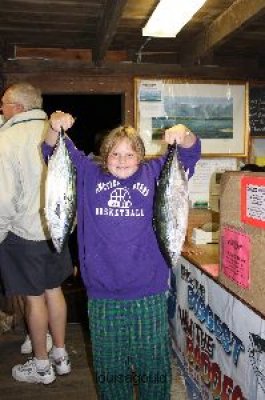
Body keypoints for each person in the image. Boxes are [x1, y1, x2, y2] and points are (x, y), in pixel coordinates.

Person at [43, 113, 201, 399]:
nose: (122, 159)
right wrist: (55, 128)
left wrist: (184, 132)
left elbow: (190, 153)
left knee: (153, 365)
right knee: (109, 369)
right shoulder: (89, 173)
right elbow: (50, 151)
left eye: (130, 153)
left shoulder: (155, 172)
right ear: (105, 155)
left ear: (140, 155)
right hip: (102, 293)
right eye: (115, 153)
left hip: (148, 292)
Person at [0, 83, 73, 384]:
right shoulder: (58, 133)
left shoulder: (5, 140)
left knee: (33, 299)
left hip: (24, 235)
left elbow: (3, 200)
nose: (1, 108)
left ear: (17, 107)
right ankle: (60, 354)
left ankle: (42, 367)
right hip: (57, 231)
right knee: (54, 291)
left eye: (3, 103)